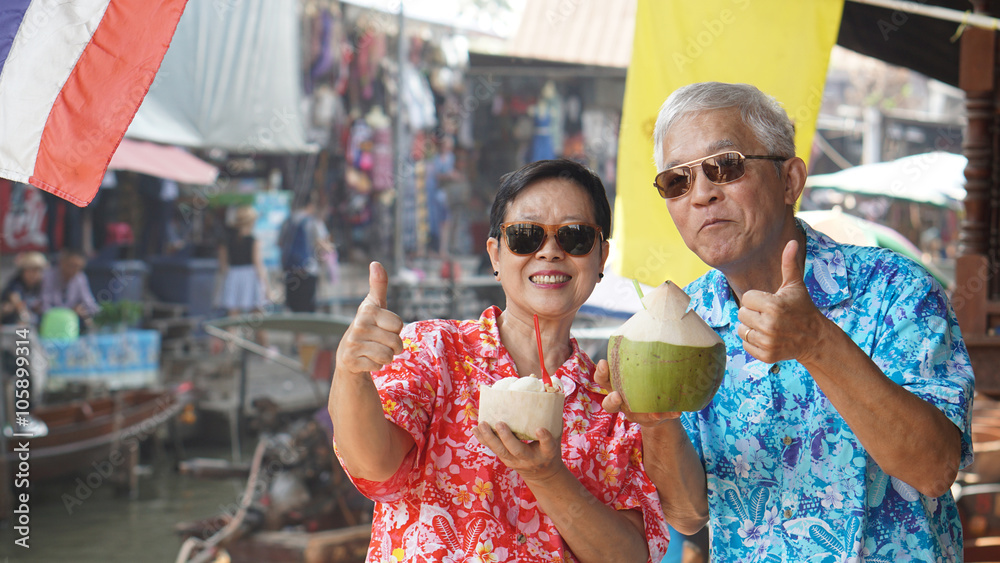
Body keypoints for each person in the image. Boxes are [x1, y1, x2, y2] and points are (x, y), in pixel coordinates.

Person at [597, 82, 975, 562]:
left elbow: (934, 468)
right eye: (678, 180)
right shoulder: (682, 323)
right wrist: (656, 422)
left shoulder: (895, 289)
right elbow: (689, 515)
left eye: (726, 166)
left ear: (791, 180)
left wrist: (818, 344)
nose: (703, 195)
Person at [330, 159, 671, 562]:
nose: (549, 251)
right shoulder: (435, 349)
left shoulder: (613, 400)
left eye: (574, 236)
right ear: (495, 254)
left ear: (601, 258)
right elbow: (374, 463)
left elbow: (628, 557)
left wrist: (547, 476)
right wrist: (350, 372)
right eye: (525, 236)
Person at [280, 191, 334, 351]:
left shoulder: (288, 220)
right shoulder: (312, 222)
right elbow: (322, 245)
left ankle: (296, 340)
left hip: (290, 270)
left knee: (295, 307)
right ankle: (299, 343)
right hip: (308, 270)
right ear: (311, 205)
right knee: (305, 308)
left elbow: (280, 243)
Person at [216, 205, 271, 347]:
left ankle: (231, 348)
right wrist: (266, 286)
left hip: (233, 276)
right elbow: (258, 264)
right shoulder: (253, 240)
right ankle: (264, 349)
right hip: (250, 276)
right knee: (257, 315)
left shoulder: (227, 240)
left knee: (232, 316)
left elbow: (222, 265)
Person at [41, 247, 100, 323]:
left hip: (70, 322)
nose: (75, 270)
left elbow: (89, 303)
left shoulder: (80, 277)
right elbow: (45, 306)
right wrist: (70, 311)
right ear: (62, 263)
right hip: (50, 321)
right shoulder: (48, 276)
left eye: (79, 267)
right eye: (72, 265)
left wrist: (86, 311)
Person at [1, 251, 48, 325]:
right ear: (23, 271)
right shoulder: (15, 285)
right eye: (33, 270)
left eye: (39, 271)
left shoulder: (39, 286)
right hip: (13, 326)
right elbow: (17, 302)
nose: (36, 274)